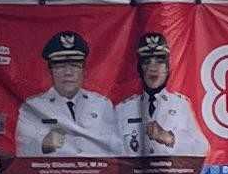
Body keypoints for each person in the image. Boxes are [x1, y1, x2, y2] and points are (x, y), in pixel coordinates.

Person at [12, 28, 123, 161]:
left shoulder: (102, 105)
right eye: (60, 66)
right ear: (50, 72)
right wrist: (42, 146)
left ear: (84, 71)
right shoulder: (32, 108)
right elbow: (22, 154)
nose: (68, 72)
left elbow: (118, 150)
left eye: (75, 65)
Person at [113, 29, 204, 165]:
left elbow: (202, 148)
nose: (153, 68)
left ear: (168, 67)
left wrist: (170, 138)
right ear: (139, 68)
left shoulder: (180, 104)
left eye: (159, 61)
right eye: (146, 62)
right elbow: (111, 152)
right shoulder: (124, 108)